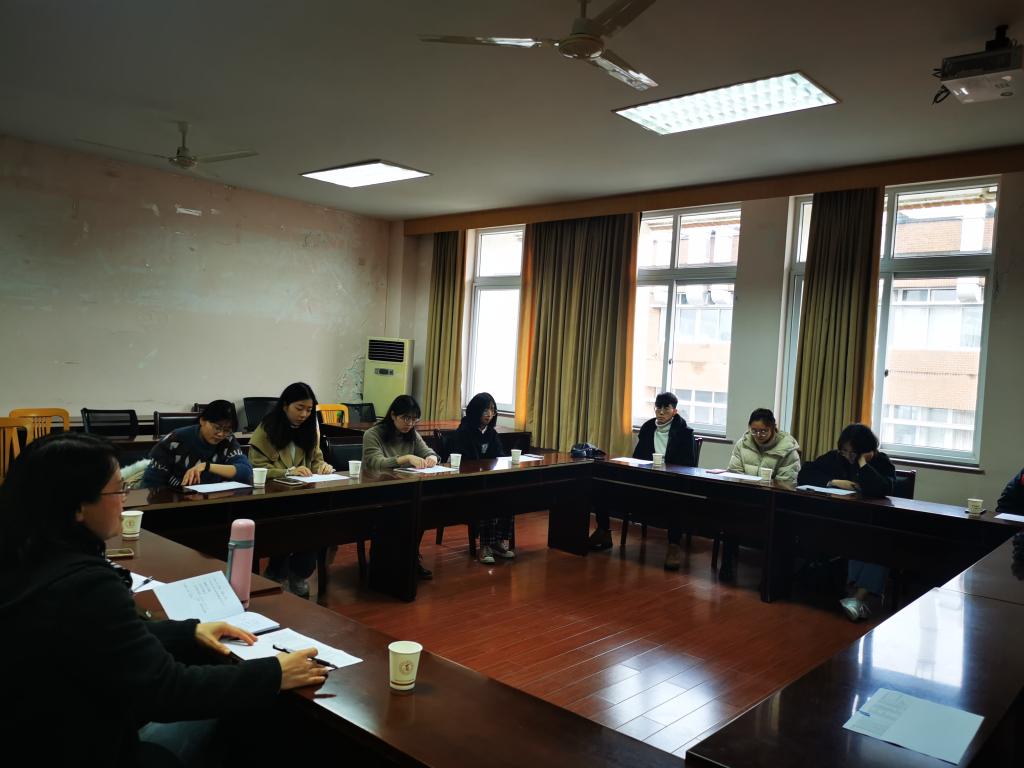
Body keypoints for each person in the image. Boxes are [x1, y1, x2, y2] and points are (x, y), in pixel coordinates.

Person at [0, 433, 326, 767]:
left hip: (33, 734)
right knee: (254, 719)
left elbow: (96, 635)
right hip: (82, 747)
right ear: (78, 507)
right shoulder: (85, 585)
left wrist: (188, 631)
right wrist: (274, 673)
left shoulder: (24, 558)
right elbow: (166, 690)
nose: (125, 499)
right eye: (118, 490)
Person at [798, 423, 896, 622]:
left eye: (853, 453)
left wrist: (863, 464)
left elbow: (884, 488)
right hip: (839, 522)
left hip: (871, 522)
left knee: (880, 544)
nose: (848, 457)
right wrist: (833, 482)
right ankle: (855, 598)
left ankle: (857, 598)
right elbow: (805, 474)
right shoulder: (836, 458)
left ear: (867, 451)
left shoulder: (881, 462)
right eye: (845, 452)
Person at [588, 391, 697, 571]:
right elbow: (637, 457)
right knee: (603, 486)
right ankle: (603, 531)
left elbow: (689, 464)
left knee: (677, 499)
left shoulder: (685, 433)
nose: (661, 412)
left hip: (670, 483)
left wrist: (665, 468)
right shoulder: (647, 428)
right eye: (658, 408)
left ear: (674, 411)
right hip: (645, 480)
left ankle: (674, 545)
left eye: (666, 408)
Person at [248, 382, 335, 598]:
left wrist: (322, 467)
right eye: (299, 408)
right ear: (285, 405)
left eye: (309, 410)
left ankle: (298, 573)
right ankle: (277, 571)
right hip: (273, 498)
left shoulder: (309, 428)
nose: (304, 414)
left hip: (304, 495)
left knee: (319, 522)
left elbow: (316, 460)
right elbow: (256, 468)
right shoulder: (267, 429)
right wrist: (287, 472)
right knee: (291, 524)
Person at [719, 408, 802, 579]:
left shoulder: (787, 449)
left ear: (773, 428)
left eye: (763, 431)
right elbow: (734, 472)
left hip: (773, 503)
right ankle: (727, 566)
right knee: (729, 516)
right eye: (754, 430)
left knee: (775, 525)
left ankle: (770, 577)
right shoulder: (743, 443)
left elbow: (787, 483)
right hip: (746, 499)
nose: (758, 435)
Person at [362, 394, 438, 579]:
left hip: (403, 490)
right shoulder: (373, 434)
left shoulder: (412, 434)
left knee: (421, 512)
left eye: (414, 419)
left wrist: (432, 458)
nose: (410, 423)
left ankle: (409, 558)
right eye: (405, 418)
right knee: (402, 513)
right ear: (393, 415)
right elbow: (376, 462)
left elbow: (428, 451)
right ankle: (386, 561)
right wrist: (405, 458)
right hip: (375, 490)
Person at [450, 392, 514, 565]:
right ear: (476, 410)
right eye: (485, 410)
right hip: (467, 484)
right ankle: (485, 545)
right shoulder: (464, 431)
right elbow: (463, 461)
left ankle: (498, 542)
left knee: (509, 496)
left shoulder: (491, 433)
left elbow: (500, 456)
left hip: (487, 481)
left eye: (492, 410)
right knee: (487, 498)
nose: (489, 414)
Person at [141, 400, 252, 489]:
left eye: (227, 430)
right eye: (217, 428)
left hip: (213, 499)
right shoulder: (175, 439)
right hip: (175, 499)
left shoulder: (228, 440)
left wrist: (206, 466)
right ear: (202, 420)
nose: (221, 434)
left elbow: (246, 471)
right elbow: (151, 481)